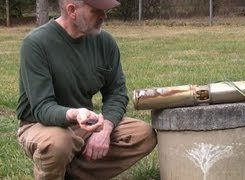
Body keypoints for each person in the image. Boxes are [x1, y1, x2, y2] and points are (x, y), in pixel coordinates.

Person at [16, 0, 157, 179]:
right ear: (72, 10)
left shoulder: (105, 42)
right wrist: (75, 114)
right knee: (59, 142)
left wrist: (105, 129)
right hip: (40, 124)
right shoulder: (36, 44)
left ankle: (70, 174)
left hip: (84, 122)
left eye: (105, 11)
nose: (104, 16)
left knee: (143, 134)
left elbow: (116, 93)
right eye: (96, 11)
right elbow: (42, 108)